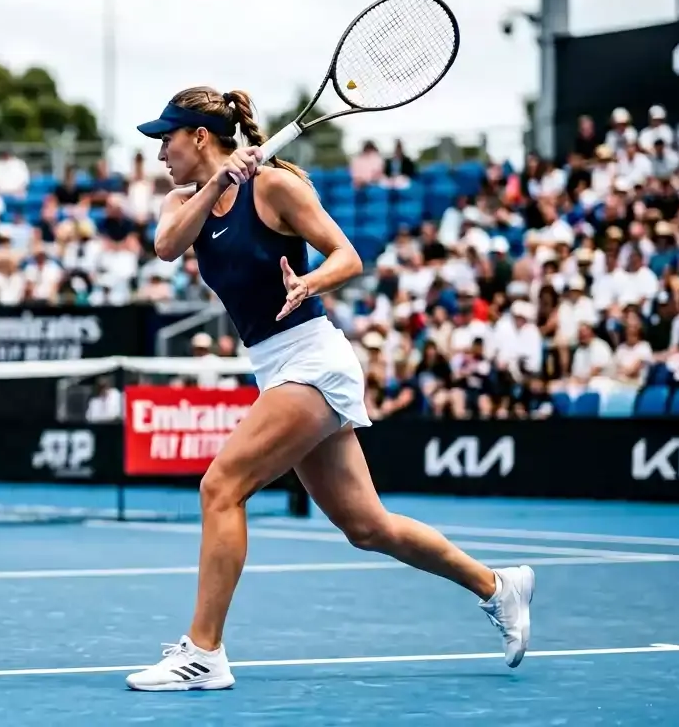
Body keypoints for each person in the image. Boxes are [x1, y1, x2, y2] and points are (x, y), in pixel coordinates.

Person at [123, 87, 534, 692]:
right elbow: (165, 248)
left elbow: (349, 256)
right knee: (367, 527)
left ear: (200, 137)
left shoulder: (276, 188)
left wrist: (309, 281)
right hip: (273, 364)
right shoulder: (181, 202)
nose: (161, 151)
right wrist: (217, 183)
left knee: (220, 487)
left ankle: (204, 653)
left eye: (168, 138)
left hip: (312, 360)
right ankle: (498, 587)